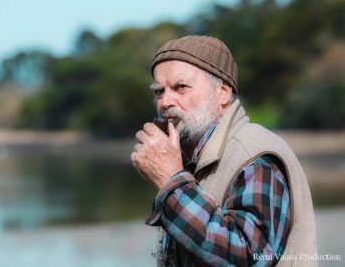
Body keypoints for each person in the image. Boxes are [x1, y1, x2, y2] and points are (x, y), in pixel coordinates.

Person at [131, 36, 317, 266]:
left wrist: (171, 181)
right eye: (159, 91)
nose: (165, 101)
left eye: (180, 87)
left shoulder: (255, 155)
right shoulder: (189, 157)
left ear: (223, 92)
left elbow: (248, 257)